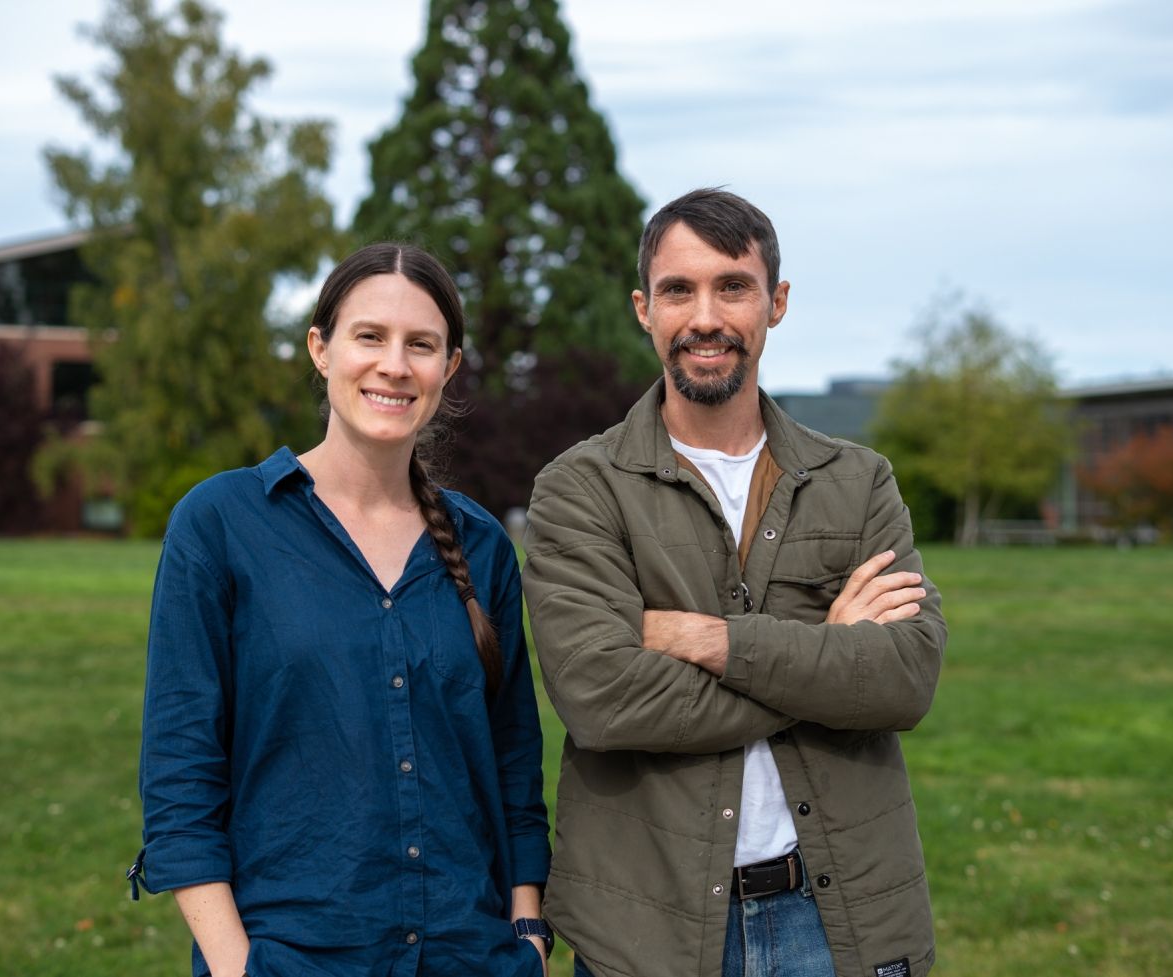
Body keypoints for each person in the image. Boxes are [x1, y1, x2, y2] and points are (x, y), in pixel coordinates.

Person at [522, 189, 947, 977]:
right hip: (649, 931)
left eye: (734, 286)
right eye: (680, 290)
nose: (705, 316)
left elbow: (905, 677)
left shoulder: (857, 481)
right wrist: (826, 656)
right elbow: (602, 696)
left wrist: (702, 637)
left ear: (775, 303)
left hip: (840, 919)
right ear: (644, 308)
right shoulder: (581, 487)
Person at [130, 243, 553, 977]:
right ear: (320, 350)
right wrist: (238, 967)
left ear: (448, 369)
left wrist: (528, 936)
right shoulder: (221, 524)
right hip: (290, 958)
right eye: (370, 336)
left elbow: (515, 765)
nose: (394, 364)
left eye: (420, 344)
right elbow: (181, 780)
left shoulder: (482, 545)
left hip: (471, 955)